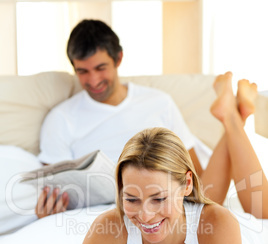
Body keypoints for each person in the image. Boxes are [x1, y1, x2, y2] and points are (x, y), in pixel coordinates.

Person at [58, 73, 268, 244]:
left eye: (157, 199)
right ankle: (232, 113)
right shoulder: (106, 231)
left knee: (261, 210)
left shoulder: (220, 225)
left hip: (247, 236)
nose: (144, 216)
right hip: (190, 214)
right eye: (131, 199)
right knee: (197, 204)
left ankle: (233, 118)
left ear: (186, 184)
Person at [35, 19, 204, 219]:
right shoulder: (61, 118)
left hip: (157, 209)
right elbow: (54, 188)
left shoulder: (159, 103)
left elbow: (195, 173)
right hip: (90, 218)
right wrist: (50, 209)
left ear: (118, 59)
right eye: (83, 71)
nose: (93, 80)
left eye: (100, 68)